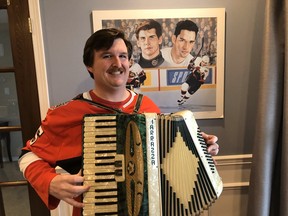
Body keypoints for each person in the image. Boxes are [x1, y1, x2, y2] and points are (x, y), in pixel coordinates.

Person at [18, 28, 219, 216]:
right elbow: (28, 156)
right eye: (107, 56)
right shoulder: (66, 113)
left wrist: (198, 147)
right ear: (89, 65)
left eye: (122, 56)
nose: (117, 63)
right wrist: (49, 181)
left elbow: (163, 155)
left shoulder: (147, 106)